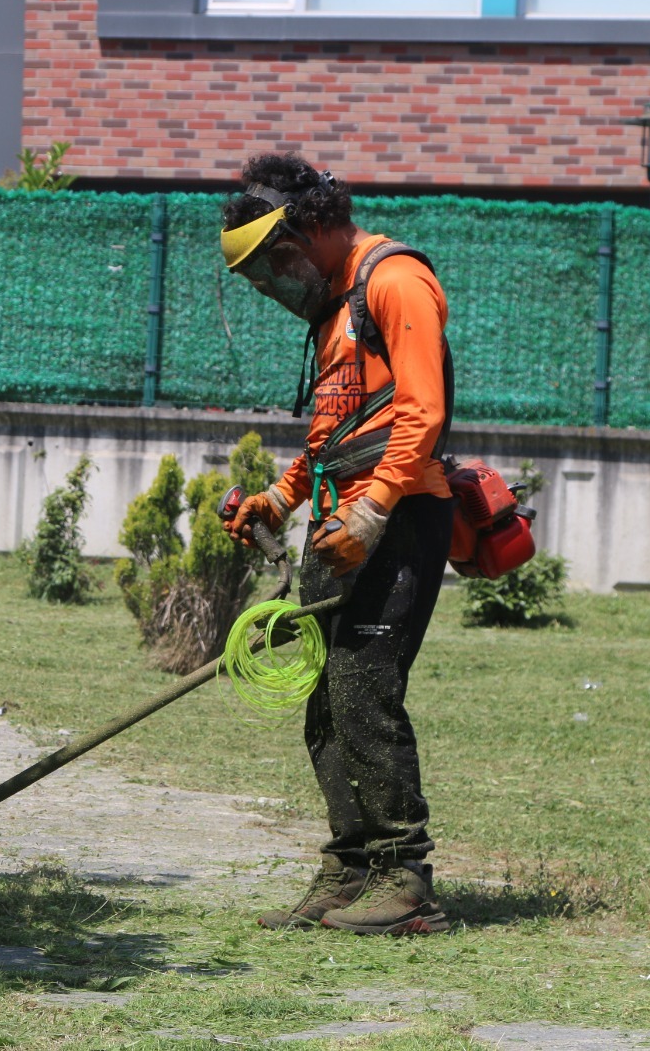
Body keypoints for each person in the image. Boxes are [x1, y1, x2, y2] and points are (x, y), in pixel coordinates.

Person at [220, 152, 455, 936]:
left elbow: (423, 411)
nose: (273, 284)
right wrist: (279, 498)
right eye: (260, 277)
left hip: (398, 521)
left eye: (277, 263)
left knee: (364, 692)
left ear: (316, 228)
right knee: (324, 701)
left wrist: (372, 514)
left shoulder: (393, 280)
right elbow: (335, 436)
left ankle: (406, 876)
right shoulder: (334, 314)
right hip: (337, 525)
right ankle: (350, 869)